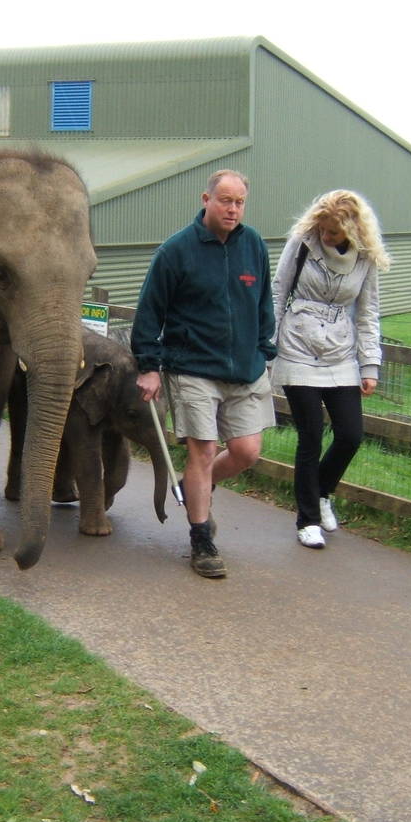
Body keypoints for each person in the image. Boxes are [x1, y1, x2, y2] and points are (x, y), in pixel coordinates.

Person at [132, 169, 276, 579]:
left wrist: (265, 349)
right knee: (204, 450)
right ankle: (201, 538)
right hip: (193, 367)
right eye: (225, 200)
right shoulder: (176, 252)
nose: (233, 209)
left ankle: (195, 485)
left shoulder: (253, 247)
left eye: (239, 202)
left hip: (245, 369)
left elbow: (264, 301)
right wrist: (149, 366)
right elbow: (149, 313)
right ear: (206, 199)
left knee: (247, 451)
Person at [271, 189, 391, 549]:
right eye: (323, 230)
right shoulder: (302, 243)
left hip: (340, 350)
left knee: (351, 434)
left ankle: (322, 492)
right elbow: (278, 292)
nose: (326, 237)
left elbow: (368, 312)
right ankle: (307, 519)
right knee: (310, 435)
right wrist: (267, 349)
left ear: (352, 231)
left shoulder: (365, 258)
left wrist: (369, 364)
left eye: (334, 233)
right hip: (297, 345)